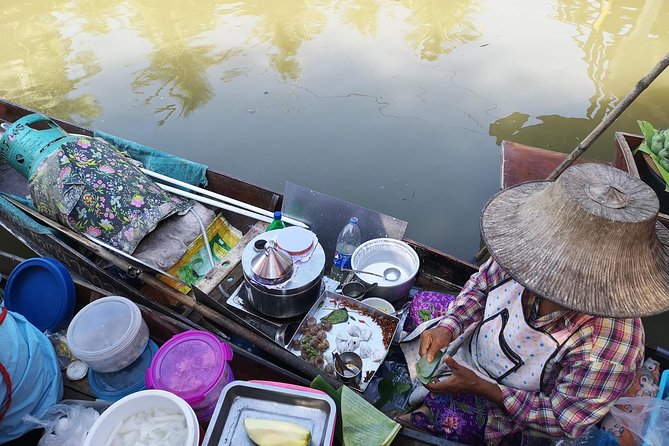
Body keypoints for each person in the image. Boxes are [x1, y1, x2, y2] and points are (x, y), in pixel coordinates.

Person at [406, 163, 669, 445]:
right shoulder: (525, 254)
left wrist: (483, 388)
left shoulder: (612, 343)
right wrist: (450, 326)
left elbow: (561, 420)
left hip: (513, 403)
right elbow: (481, 285)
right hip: (480, 345)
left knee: (446, 418)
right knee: (420, 303)